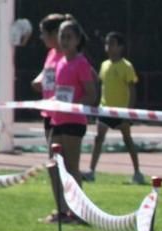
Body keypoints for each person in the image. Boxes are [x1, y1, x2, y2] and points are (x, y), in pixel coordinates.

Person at [84, 31, 145, 184]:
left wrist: (128, 112)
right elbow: (101, 85)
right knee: (98, 139)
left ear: (120, 47)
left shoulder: (127, 66)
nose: (108, 47)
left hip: (121, 112)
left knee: (127, 140)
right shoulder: (104, 65)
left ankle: (137, 173)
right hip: (104, 110)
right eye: (107, 44)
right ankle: (91, 171)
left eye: (112, 44)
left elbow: (132, 89)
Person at [49, 18, 96, 186]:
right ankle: (62, 209)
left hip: (74, 122)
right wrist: (54, 101)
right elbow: (60, 91)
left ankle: (76, 211)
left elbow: (91, 95)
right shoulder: (59, 62)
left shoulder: (81, 63)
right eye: (62, 36)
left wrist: (72, 105)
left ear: (77, 40)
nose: (65, 41)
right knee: (54, 166)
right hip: (57, 121)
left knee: (71, 167)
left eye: (69, 37)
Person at [31, 13, 68, 147]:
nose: (41, 37)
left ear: (55, 33)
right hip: (49, 111)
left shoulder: (69, 56)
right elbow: (46, 73)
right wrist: (38, 81)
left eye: (43, 33)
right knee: (53, 158)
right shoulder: (51, 53)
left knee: (64, 160)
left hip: (65, 115)